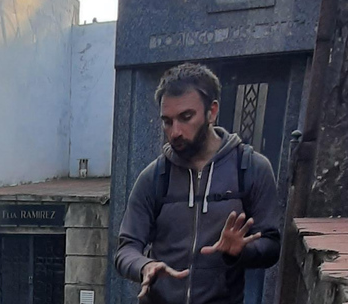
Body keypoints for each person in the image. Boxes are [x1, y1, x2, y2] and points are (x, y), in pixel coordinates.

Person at [115, 63, 281, 303]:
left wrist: (239, 251)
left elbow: (271, 246)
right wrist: (144, 265)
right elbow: (125, 248)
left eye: (186, 117)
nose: (175, 132)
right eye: (167, 121)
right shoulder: (154, 177)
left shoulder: (252, 168)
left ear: (212, 112)